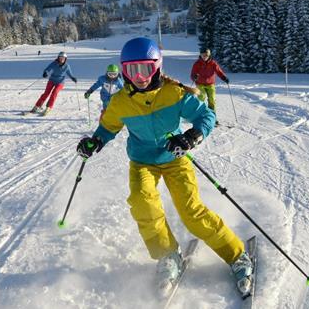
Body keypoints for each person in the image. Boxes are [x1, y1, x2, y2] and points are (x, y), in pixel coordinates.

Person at [76, 37, 253, 296]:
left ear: (157, 67)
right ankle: (169, 255)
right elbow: (108, 128)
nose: (140, 77)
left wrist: (192, 136)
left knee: (191, 212)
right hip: (142, 162)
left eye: (146, 68)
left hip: (175, 159)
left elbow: (207, 116)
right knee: (142, 203)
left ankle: (237, 255)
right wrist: (95, 142)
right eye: (132, 70)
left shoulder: (174, 92)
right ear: (124, 71)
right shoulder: (121, 101)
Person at [30, 51, 77, 116]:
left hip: (60, 82)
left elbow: (70, 73)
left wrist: (73, 78)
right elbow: (48, 69)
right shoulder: (54, 63)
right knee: (46, 93)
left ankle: (49, 107)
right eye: (60, 57)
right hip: (52, 80)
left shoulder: (67, 66)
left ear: (65, 59)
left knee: (54, 93)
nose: (61, 59)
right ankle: (37, 106)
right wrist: (45, 73)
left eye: (63, 58)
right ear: (58, 58)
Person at [190, 48, 229, 125]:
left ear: (209, 55)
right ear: (200, 55)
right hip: (200, 84)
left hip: (210, 84)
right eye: (203, 55)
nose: (204, 57)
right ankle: (199, 115)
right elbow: (192, 74)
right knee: (202, 97)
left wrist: (224, 77)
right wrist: (194, 77)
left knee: (212, 100)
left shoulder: (213, 63)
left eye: (206, 55)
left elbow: (219, 72)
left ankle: (212, 117)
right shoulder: (197, 64)